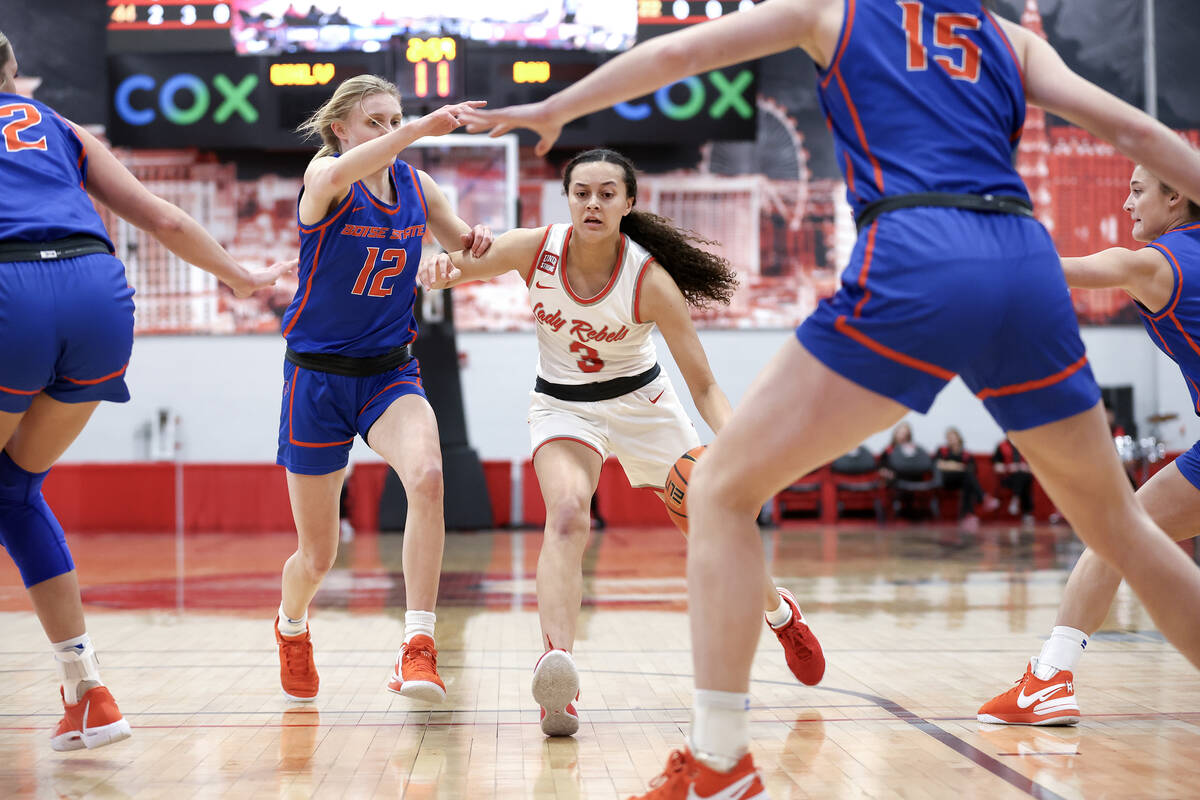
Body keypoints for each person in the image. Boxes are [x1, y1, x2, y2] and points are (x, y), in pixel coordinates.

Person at [461, 1, 1200, 796]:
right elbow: (1147, 137)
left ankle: (719, 760)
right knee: (1121, 528)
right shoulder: (1007, 35)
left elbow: (677, 58)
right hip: (1023, 261)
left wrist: (558, 107)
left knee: (718, 488)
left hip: (918, 257)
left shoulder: (836, 12)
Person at [417, 147, 825, 737]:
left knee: (713, 524)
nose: (593, 203)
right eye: (582, 192)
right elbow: (460, 264)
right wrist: (439, 268)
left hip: (643, 405)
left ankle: (780, 613)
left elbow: (705, 385)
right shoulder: (537, 249)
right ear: (568, 199)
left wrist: (739, 452)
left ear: (628, 204)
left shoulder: (649, 279)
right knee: (565, 517)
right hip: (562, 404)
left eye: (607, 193)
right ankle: (557, 676)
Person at [0, 32, 290, 751]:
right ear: (11, 72)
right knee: (13, 491)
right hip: (101, 298)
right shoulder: (61, 128)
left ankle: (86, 687)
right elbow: (161, 215)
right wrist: (237, 275)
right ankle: (87, 690)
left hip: (11, 290)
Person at [274, 76, 492, 705]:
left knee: (427, 475)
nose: (390, 130)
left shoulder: (419, 187)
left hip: (389, 372)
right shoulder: (325, 178)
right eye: (376, 121)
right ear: (340, 127)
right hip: (316, 378)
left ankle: (417, 646)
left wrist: (462, 259)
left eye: (396, 118)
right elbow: (340, 172)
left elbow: (464, 251)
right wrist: (421, 128)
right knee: (317, 556)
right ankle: (292, 625)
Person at [978, 163, 1200, 725]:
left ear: (1176, 197)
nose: (1127, 204)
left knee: (1112, 537)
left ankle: (1049, 679)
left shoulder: (1157, 263)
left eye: (1136, 190)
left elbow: (1062, 271)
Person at [935, 427, 988, 530]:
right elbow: (939, 464)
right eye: (948, 437)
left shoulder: (966, 454)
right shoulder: (942, 451)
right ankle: (982, 498)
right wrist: (958, 466)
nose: (951, 439)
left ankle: (967, 516)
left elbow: (972, 469)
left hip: (961, 481)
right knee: (967, 476)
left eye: (953, 437)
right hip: (946, 481)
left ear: (959, 438)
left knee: (967, 481)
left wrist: (950, 465)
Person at [993, 436, 1035, 527]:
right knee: (1021, 477)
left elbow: (1034, 467)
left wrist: (1025, 467)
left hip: (1024, 476)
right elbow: (997, 467)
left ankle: (1015, 498)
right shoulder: (1001, 446)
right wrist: (1009, 467)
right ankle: (1026, 512)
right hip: (1008, 478)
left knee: (1023, 476)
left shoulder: (1025, 446)